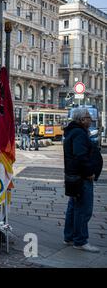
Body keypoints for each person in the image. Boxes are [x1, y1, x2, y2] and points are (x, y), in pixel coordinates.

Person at [63, 108, 102, 253]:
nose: (90, 119)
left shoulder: (73, 132)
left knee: (73, 207)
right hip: (81, 177)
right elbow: (81, 156)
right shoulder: (79, 133)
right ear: (81, 120)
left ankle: (69, 237)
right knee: (83, 209)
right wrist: (89, 172)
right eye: (88, 117)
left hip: (74, 176)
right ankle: (80, 241)